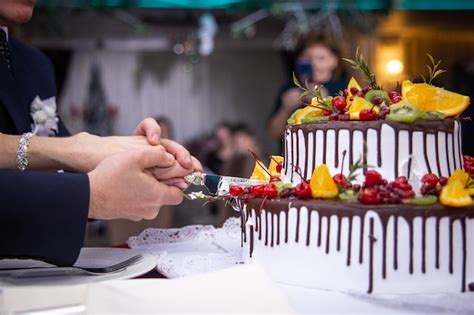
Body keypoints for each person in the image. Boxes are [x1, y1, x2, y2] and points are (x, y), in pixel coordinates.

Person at [0, 0, 201, 266]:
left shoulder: (36, 65)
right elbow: (67, 153)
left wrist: (130, 160)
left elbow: (64, 160)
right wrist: (90, 195)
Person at [267, 33, 347, 142]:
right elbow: (273, 133)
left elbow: (349, 127)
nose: (314, 64)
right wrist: (285, 109)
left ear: (334, 61)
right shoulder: (289, 88)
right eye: (308, 58)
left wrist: (323, 100)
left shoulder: (344, 89)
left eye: (321, 58)